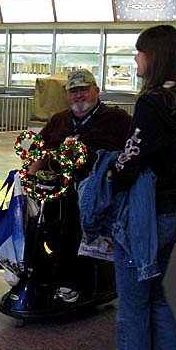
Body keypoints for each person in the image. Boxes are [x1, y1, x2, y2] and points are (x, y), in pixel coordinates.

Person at [94, 24, 176, 350]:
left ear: (154, 57)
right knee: (154, 294)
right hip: (174, 213)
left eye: (140, 52)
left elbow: (132, 158)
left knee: (134, 301)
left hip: (143, 217)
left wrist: (110, 174)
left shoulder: (151, 102)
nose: (136, 59)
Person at [29, 69, 133, 302]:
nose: (79, 96)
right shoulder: (60, 120)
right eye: (73, 91)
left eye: (84, 90)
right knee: (33, 218)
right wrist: (27, 179)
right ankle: (35, 272)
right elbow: (39, 151)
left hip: (95, 192)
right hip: (57, 188)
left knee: (73, 217)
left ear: (96, 90)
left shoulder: (116, 119)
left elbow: (133, 153)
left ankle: (72, 281)